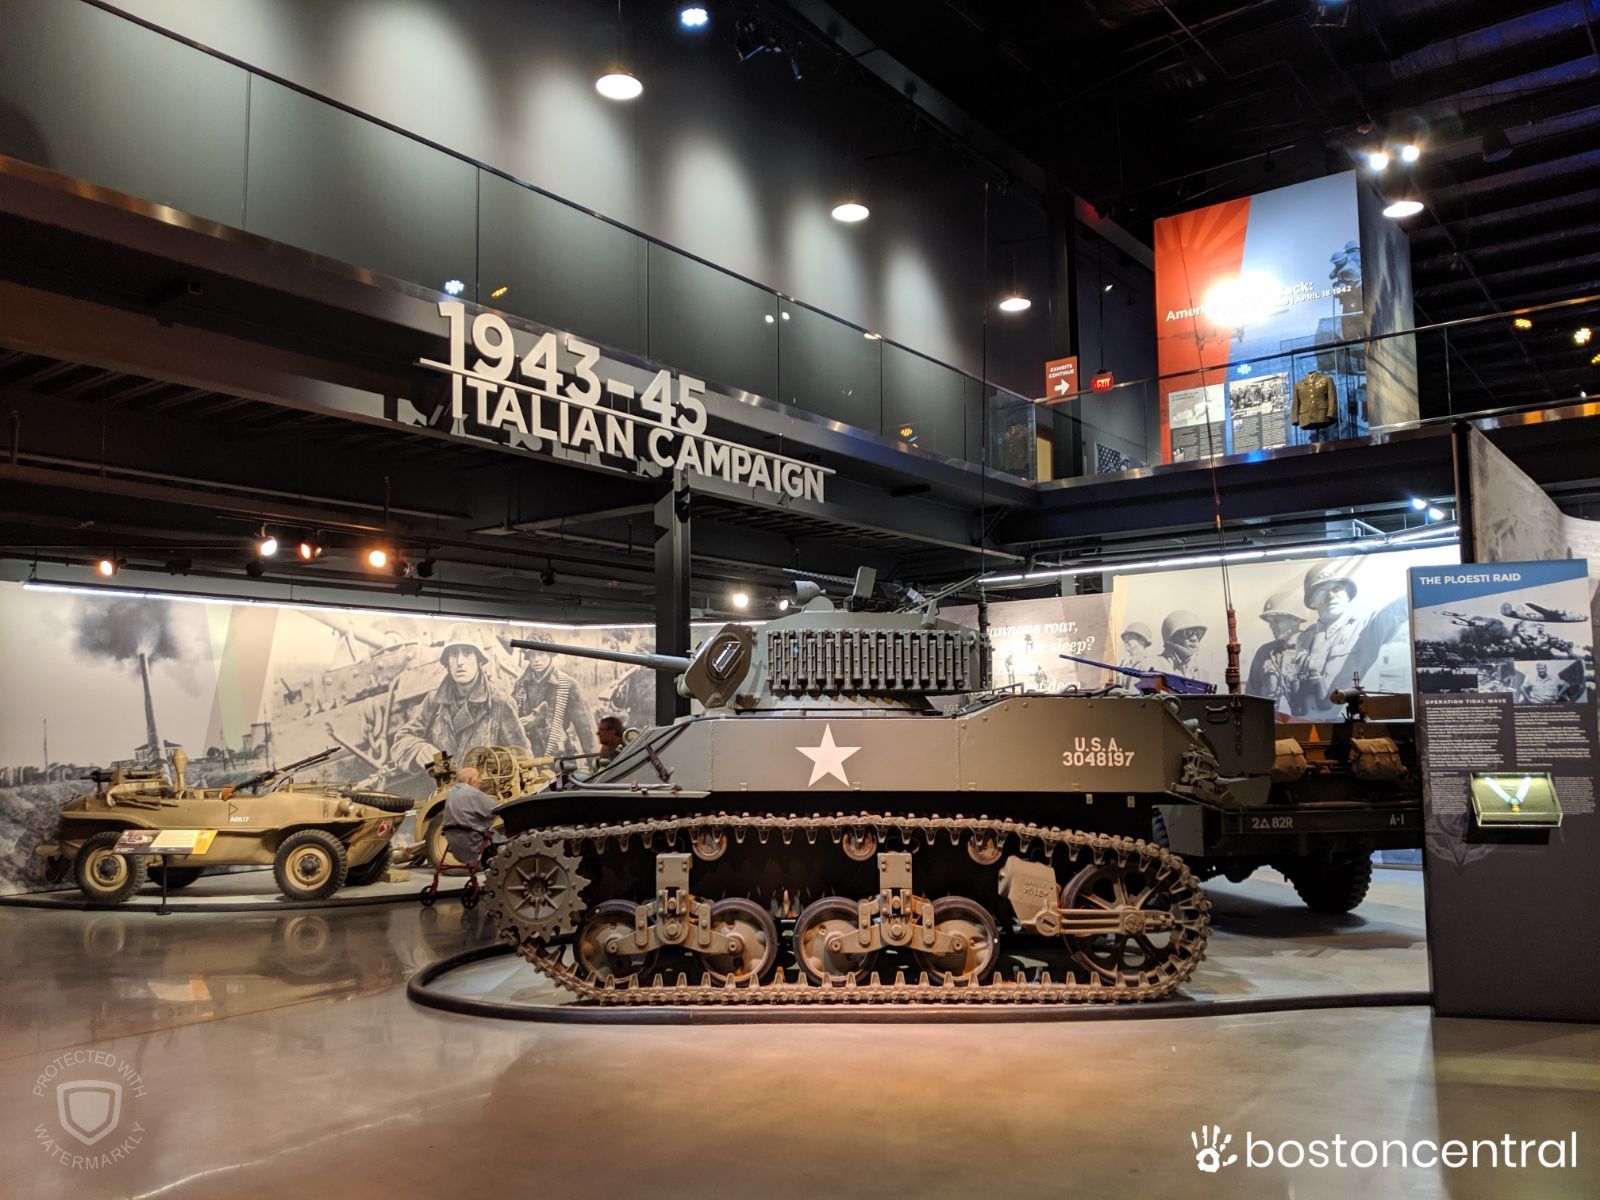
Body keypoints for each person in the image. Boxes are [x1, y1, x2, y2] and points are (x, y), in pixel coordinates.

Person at [390, 626, 530, 772]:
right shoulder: (433, 702)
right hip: (441, 785)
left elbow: (523, 761)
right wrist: (419, 749)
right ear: (447, 662)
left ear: (479, 660)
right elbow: (402, 738)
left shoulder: (499, 704)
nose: (459, 662)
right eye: (453, 654)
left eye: (467, 653)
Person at [1290, 562, 1407, 720]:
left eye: (1337, 588)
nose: (1331, 596)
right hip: (1311, 724)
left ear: (1347, 594)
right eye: (1322, 591)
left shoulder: (1368, 626)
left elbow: (1397, 610)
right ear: (1311, 601)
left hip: (1352, 722)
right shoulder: (1305, 638)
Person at [513, 644, 599, 759]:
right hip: (527, 755)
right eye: (532, 655)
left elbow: (586, 729)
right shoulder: (520, 684)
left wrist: (594, 760)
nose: (536, 659)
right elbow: (512, 721)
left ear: (550, 654)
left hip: (558, 754)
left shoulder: (567, 684)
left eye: (541, 654)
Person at [1246, 596, 1307, 712]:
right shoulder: (1264, 652)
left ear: (1295, 620)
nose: (1272, 626)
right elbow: (1252, 697)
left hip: (1305, 721)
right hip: (1269, 719)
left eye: (1277, 621)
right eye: (1270, 622)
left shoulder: (1313, 648)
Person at [439, 765, 500, 866]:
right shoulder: (474, 793)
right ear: (469, 780)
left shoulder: (451, 793)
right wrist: (491, 800)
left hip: (455, 844)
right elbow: (496, 810)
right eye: (478, 777)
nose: (480, 781)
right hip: (474, 843)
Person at [1157, 611, 1207, 675]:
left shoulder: (1201, 674)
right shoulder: (1154, 666)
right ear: (1172, 637)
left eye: (1199, 633)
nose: (1194, 638)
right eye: (1187, 633)